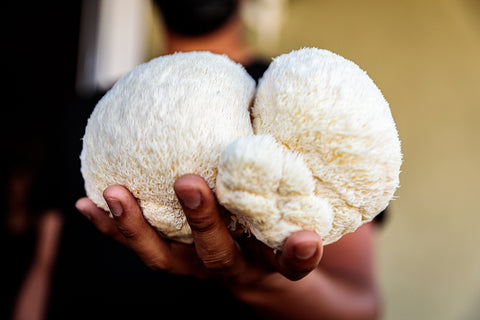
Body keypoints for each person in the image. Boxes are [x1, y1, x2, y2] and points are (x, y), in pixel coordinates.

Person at [15, 0, 382, 319]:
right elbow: (45, 269)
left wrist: (260, 284)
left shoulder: (302, 103)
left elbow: (360, 306)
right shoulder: (87, 116)